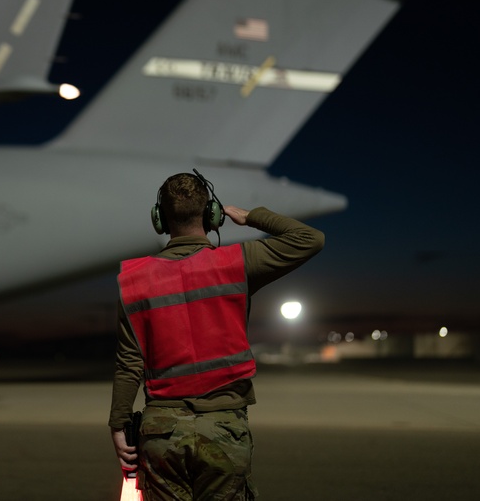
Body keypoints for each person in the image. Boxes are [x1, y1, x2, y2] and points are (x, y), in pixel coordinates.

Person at [109, 171, 325, 500]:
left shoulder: (133, 280)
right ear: (211, 214)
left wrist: (118, 422)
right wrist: (251, 216)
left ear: (160, 219)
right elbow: (310, 239)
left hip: (160, 433)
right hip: (223, 432)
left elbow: (129, 362)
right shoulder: (236, 262)